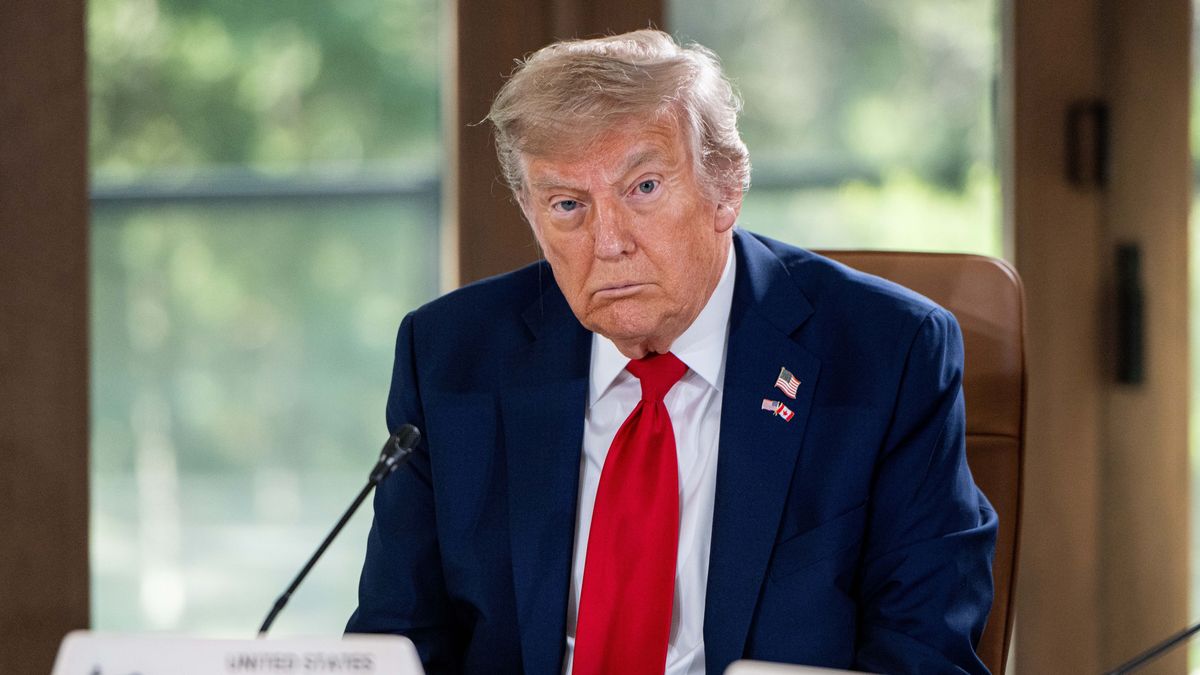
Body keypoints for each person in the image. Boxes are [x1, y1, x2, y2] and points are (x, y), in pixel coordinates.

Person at [347, 29, 997, 675]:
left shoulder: (889, 354)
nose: (609, 241)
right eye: (568, 204)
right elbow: (396, 643)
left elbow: (923, 653)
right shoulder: (451, 356)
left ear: (727, 187)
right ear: (528, 209)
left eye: (645, 187)